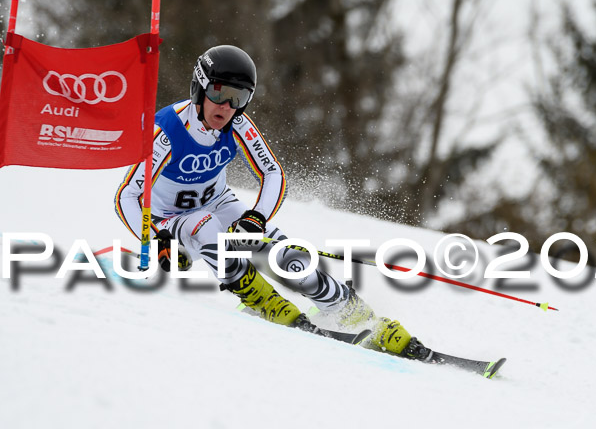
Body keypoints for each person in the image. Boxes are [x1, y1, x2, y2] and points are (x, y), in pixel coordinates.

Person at [114, 45, 430, 359]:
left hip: (218, 203)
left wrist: (256, 217)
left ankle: (356, 315)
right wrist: (154, 239)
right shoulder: (166, 132)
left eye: (238, 99)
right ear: (200, 87)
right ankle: (264, 302)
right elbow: (126, 196)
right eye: (220, 93)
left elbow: (273, 173)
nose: (226, 106)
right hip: (170, 221)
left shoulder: (237, 124)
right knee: (206, 226)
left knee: (286, 257)